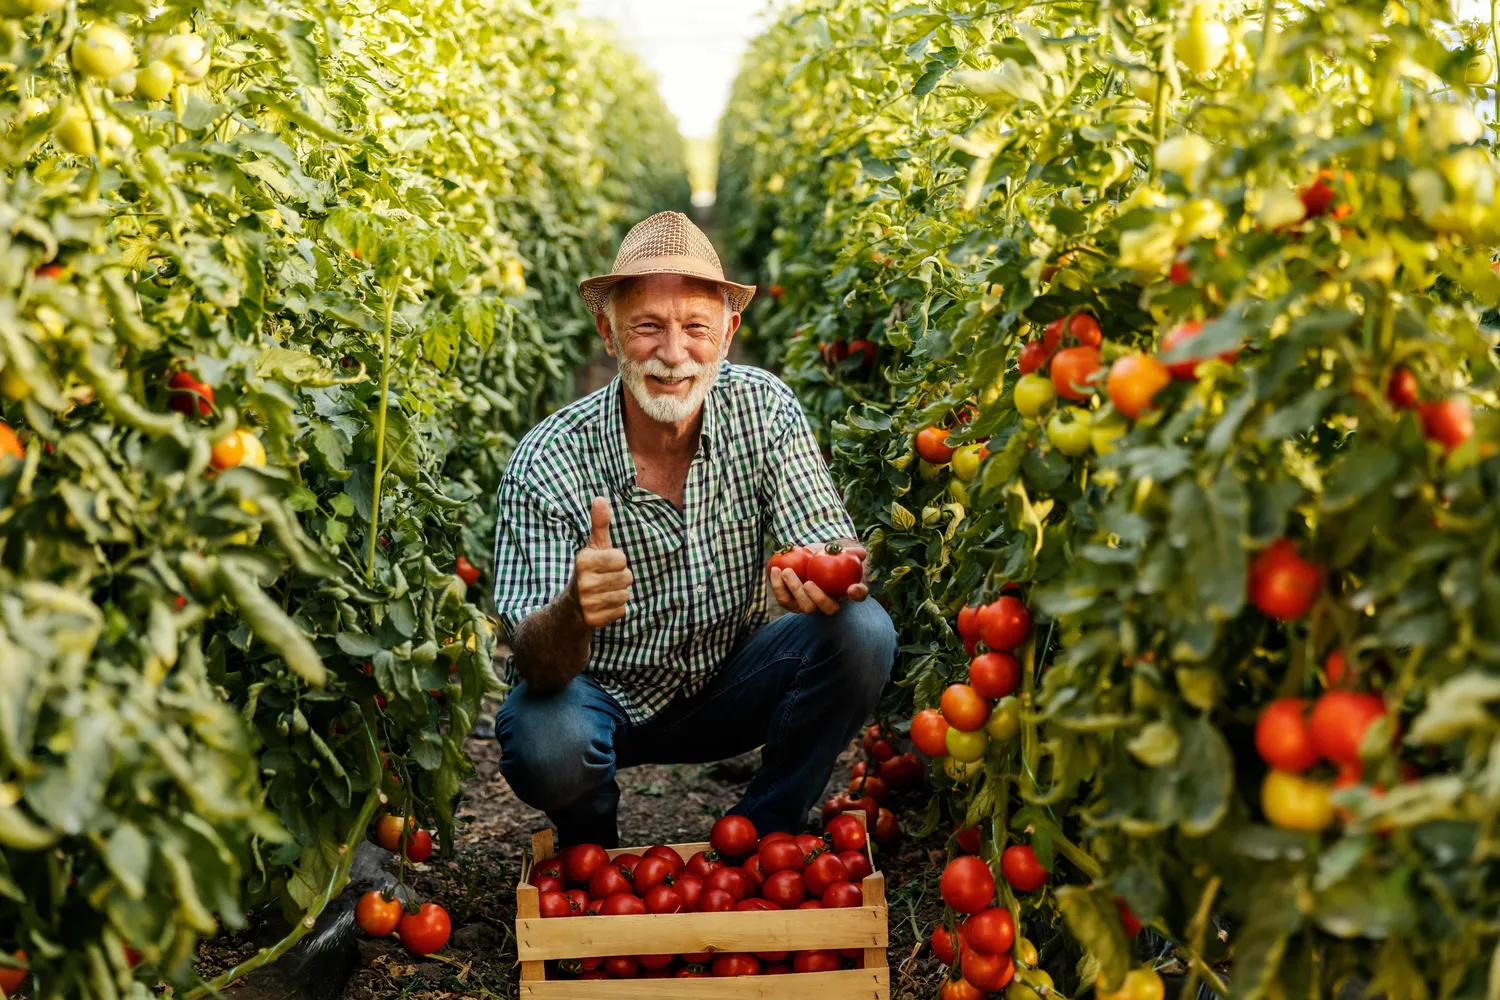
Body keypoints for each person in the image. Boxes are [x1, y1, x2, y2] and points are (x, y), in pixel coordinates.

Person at [490, 211, 896, 847]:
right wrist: (573, 610)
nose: (673, 354)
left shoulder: (762, 410)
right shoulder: (547, 461)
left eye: (696, 328)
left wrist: (834, 565)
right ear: (608, 331)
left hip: (727, 684)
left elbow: (826, 540)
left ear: (729, 333)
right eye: (647, 326)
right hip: (597, 700)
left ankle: (765, 834)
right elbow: (534, 664)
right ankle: (591, 844)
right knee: (548, 739)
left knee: (863, 631)